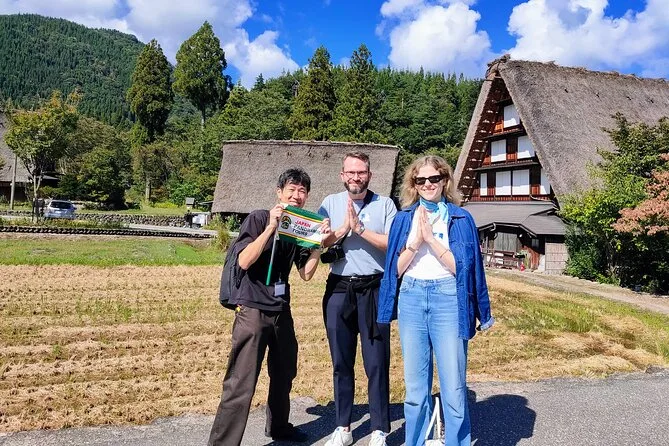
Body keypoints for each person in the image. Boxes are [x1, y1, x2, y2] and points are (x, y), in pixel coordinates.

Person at [377, 155, 494, 446]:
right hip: (412, 297)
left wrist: (431, 239)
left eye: (434, 178)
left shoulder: (461, 218)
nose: (428, 184)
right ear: (413, 184)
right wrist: (415, 242)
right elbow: (394, 270)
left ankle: (456, 442)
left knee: (453, 386)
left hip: (448, 297)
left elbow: (465, 270)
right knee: (415, 388)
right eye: (421, 180)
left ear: (444, 181)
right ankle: (415, 441)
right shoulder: (403, 219)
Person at [208, 168, 330, 446]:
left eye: (302, 191)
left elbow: (306, 274)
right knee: (241, 381)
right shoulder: (258, 217)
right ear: (279, 192)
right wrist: (270, 228)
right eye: (291, 189)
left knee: (285, 372)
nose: (296, 195)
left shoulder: (298, 227)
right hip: (252, 308)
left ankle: (279, 427)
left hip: (281, 309)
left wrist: (317, 245)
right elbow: (244, 260)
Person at [317, 152, 397, 446]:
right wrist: (342, 230)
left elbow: (393, 243)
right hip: (339, 288)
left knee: (376, 362)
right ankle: (343, 426)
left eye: (361, 172)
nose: (355, 177)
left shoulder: (385, 204)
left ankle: (379, 429)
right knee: (341, 361)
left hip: (374, 288)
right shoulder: (330, 203)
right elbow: (318, 241)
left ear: (369, 175)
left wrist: (360, 230)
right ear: (342, 175)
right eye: (350, 172)